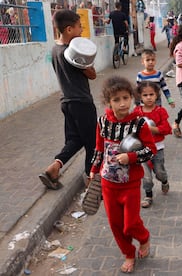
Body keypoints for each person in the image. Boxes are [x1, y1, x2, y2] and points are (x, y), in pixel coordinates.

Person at [89, 76, 156, 273]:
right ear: (108, 102)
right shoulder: (102, 122)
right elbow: (99, 149)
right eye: (116, 100)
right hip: (108, 185)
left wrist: (132, 157)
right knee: (116, 225)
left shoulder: (139, 124)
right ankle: (128, 253)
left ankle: (144, 238)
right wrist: (93, 171)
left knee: (131, 224)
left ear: (132, 98)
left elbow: (151, 150)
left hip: (131, 184)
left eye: (126, 98)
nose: (122, 103)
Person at [39, 9, 97, 190]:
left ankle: (53, 168)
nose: (81, 31)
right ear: (69, 29)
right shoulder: (73, 52)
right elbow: (92, 74)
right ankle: (91, 182)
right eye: (79, 27)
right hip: (82, 102)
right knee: (92, 144)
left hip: (66, 102)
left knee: (75, 140)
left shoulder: (55, 50)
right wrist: (86, 61)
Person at [135, 82, 172, 208]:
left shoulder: (160, 111)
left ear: (157, 95)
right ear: (140, 96)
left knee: (159, 172)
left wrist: (152, 129)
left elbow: (166, 128)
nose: (149, 97)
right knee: (145, 175)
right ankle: (148, 195)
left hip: (158, 148)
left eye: (151, 94)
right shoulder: (136, 112)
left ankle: (164, 181)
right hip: (142, 148)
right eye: (145, 95)